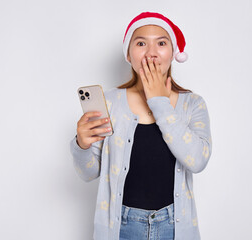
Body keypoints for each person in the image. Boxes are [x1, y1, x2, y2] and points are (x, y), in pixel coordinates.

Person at [70, 12, 212, 240]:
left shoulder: (192, 104)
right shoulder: (109, 102)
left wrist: (160, 103)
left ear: (174, 53)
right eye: (141, 43)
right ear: (128, 53)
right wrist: (81, 145)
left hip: (173, 227)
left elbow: (198, 160)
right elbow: (88, 173)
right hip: (121, 226)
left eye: (162, 43)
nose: (151, 52)